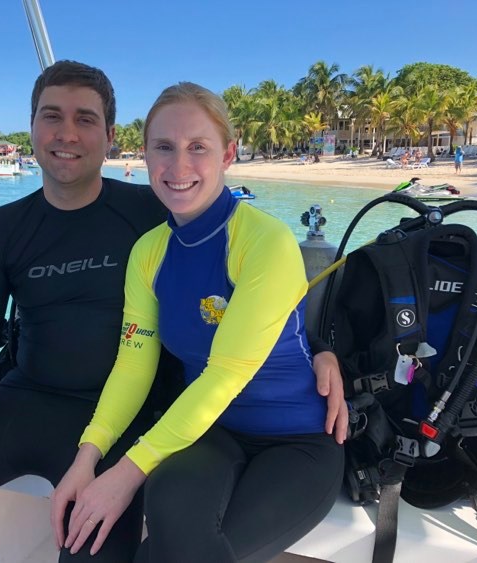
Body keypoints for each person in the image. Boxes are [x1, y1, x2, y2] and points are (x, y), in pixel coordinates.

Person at [0, 63, 346, 563]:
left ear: (110, 137)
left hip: (137, 417)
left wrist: (319, 351)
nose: (67, 134)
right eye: (51, 116)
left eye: (85, 119)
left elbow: (255, 309)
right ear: (32, 127)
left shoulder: (160, 208)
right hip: (27, 405)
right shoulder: (11, 230)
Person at [53, 82, 345, 562]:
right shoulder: (148, 253)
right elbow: (133, 365)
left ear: (228, 154)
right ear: (145, 155)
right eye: (164, 147)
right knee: (167, 507)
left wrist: (124, 475)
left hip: (298, 439)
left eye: (198, 148)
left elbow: (225, 373)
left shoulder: (264, 241)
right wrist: (89, 457)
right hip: (210, 433)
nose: (179, 166)